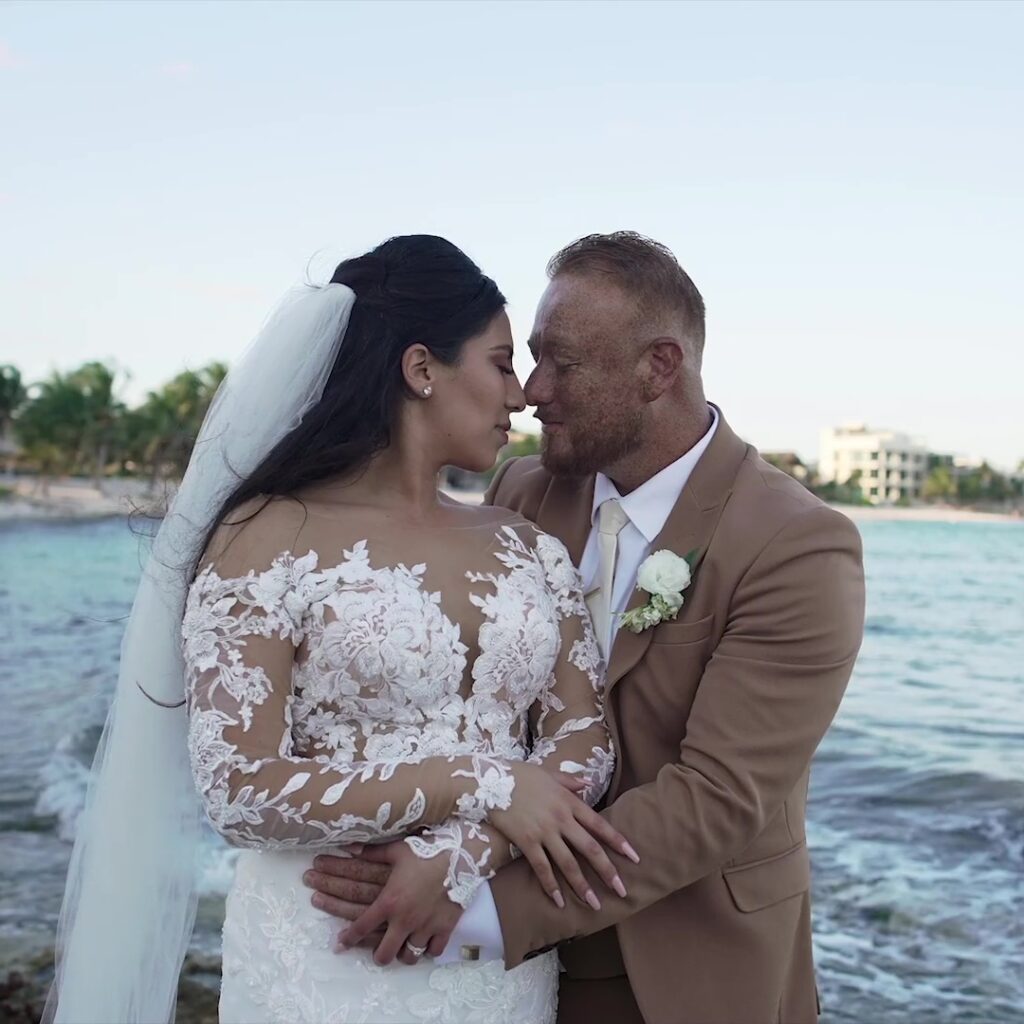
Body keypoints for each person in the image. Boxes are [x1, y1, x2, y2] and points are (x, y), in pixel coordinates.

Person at [45, 235, 633, 1024]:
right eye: (499, 363)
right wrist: (484, 781)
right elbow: (237, 789)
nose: (522, 395)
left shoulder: (526, 546)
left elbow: (585, 744)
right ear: (422, 369)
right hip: (325, 959)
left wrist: (462, 856)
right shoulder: (264, 538)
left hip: (488, 956)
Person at [307, 231, 867, 1024]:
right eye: (529, 358)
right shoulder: (523, 490)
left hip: (686, 964)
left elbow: (716, 797)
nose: (533, 390)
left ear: (658, 367)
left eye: (562, 363)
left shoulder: (799, 544)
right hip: (505, 974)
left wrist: (479, 907)